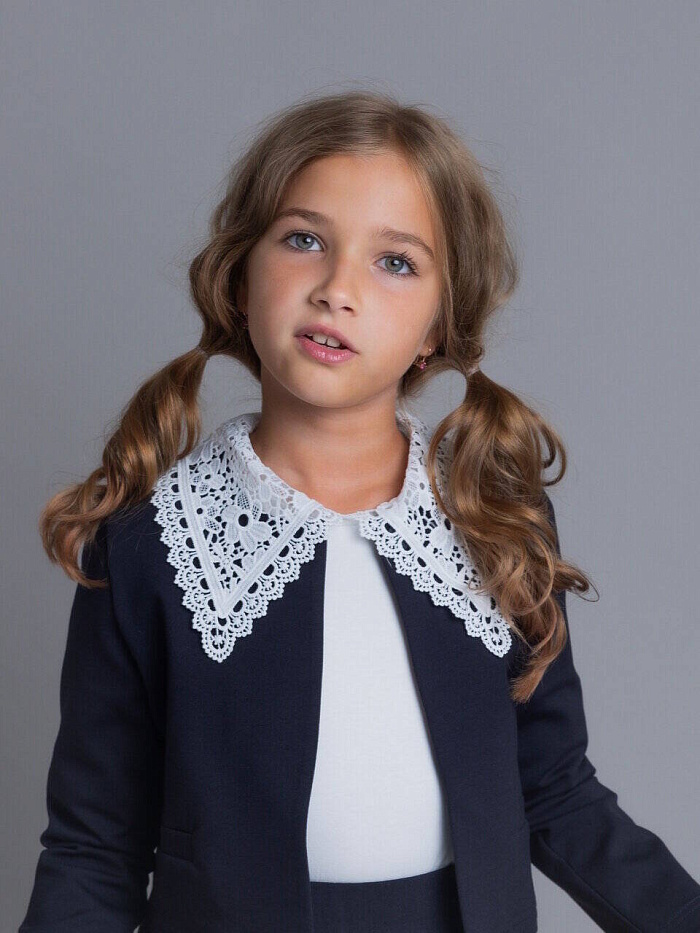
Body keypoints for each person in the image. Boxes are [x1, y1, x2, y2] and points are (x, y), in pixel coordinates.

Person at [19, 89, 700, 933]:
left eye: (395, 262)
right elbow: (95, 848)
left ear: (437, 327)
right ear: (240, 276)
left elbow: (557, 791)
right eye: (304, 240)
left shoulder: (492, 522)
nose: (337, 289)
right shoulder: (149, 544)